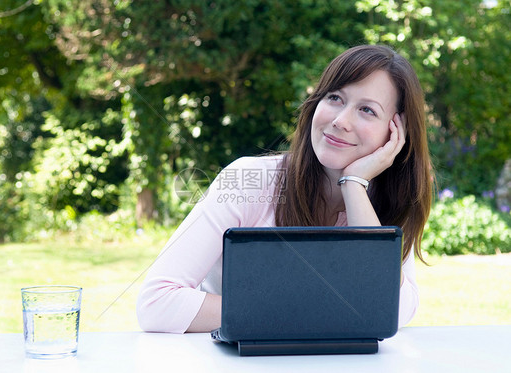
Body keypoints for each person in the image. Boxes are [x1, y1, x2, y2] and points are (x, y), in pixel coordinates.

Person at [136, 44, 433, 333]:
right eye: (335, 98)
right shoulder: (247, 182)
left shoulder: (384, 201)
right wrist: (307, 314)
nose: (341, 121)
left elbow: (388, 310)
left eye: (367, 110)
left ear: (397, 132)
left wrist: (354, 184)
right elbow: (157, 302)